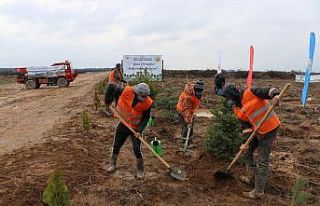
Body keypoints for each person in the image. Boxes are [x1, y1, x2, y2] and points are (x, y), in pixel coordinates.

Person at [221, 84, 281, 199]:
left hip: (270, 128)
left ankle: (258, 191)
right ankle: (251, 177)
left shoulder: (250, 92)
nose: (228, 101)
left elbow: (269, 90)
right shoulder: (236, 108)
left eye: (228, 98)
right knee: (247, 152)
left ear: (233, 94)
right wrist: (245, 142)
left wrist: (275, 96)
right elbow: (245, 126)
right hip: (256, 129)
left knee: (262, 160)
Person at [106, 83, 153, 179]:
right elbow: (111, 86)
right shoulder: (126, 91)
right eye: (142, 96)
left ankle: (140, 169)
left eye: (145, 96)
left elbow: (146, 118)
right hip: (123, 124)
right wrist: (107, 100)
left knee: (137, 149)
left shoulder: (148, 103)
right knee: (116, 145)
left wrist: (139, 130)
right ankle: (113, 164)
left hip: (135, 128)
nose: (143, 99)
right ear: (136, 92)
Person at [176, 80, 204, 149]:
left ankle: (190, 141)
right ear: (193, 90)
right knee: (186, 127)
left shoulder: (196, 90)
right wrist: (188, 121)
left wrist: (193, 112)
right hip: (183, 111)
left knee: (190, 127)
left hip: (190, 111)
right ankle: (184, 143)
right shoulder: (187, 98)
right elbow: (186, 110)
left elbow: (195, 102)